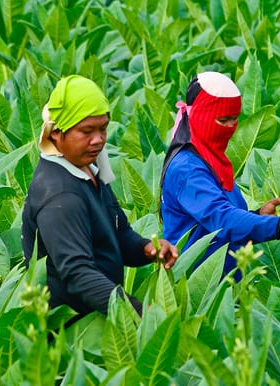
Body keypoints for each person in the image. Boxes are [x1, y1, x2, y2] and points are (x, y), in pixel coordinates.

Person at [21, 75, 177, 321]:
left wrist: (146, 248)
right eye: (86, 131)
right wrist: (138, 313)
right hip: (72, 331)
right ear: (56, 134)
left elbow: (117, 233)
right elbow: (77, 273)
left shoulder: (88, 169)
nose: (98, 140)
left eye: (102, 129)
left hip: (100, 315)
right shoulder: (60, 195)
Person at [160, 71, 280, 276]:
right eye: (223, 120)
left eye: (235, 119)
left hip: (226, 287)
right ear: (200, 116)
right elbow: (223, 220)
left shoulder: (212, 159)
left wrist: (259, 215)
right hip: (196, 294)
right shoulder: (186, 169)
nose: (230, 128)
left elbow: (214, 227)